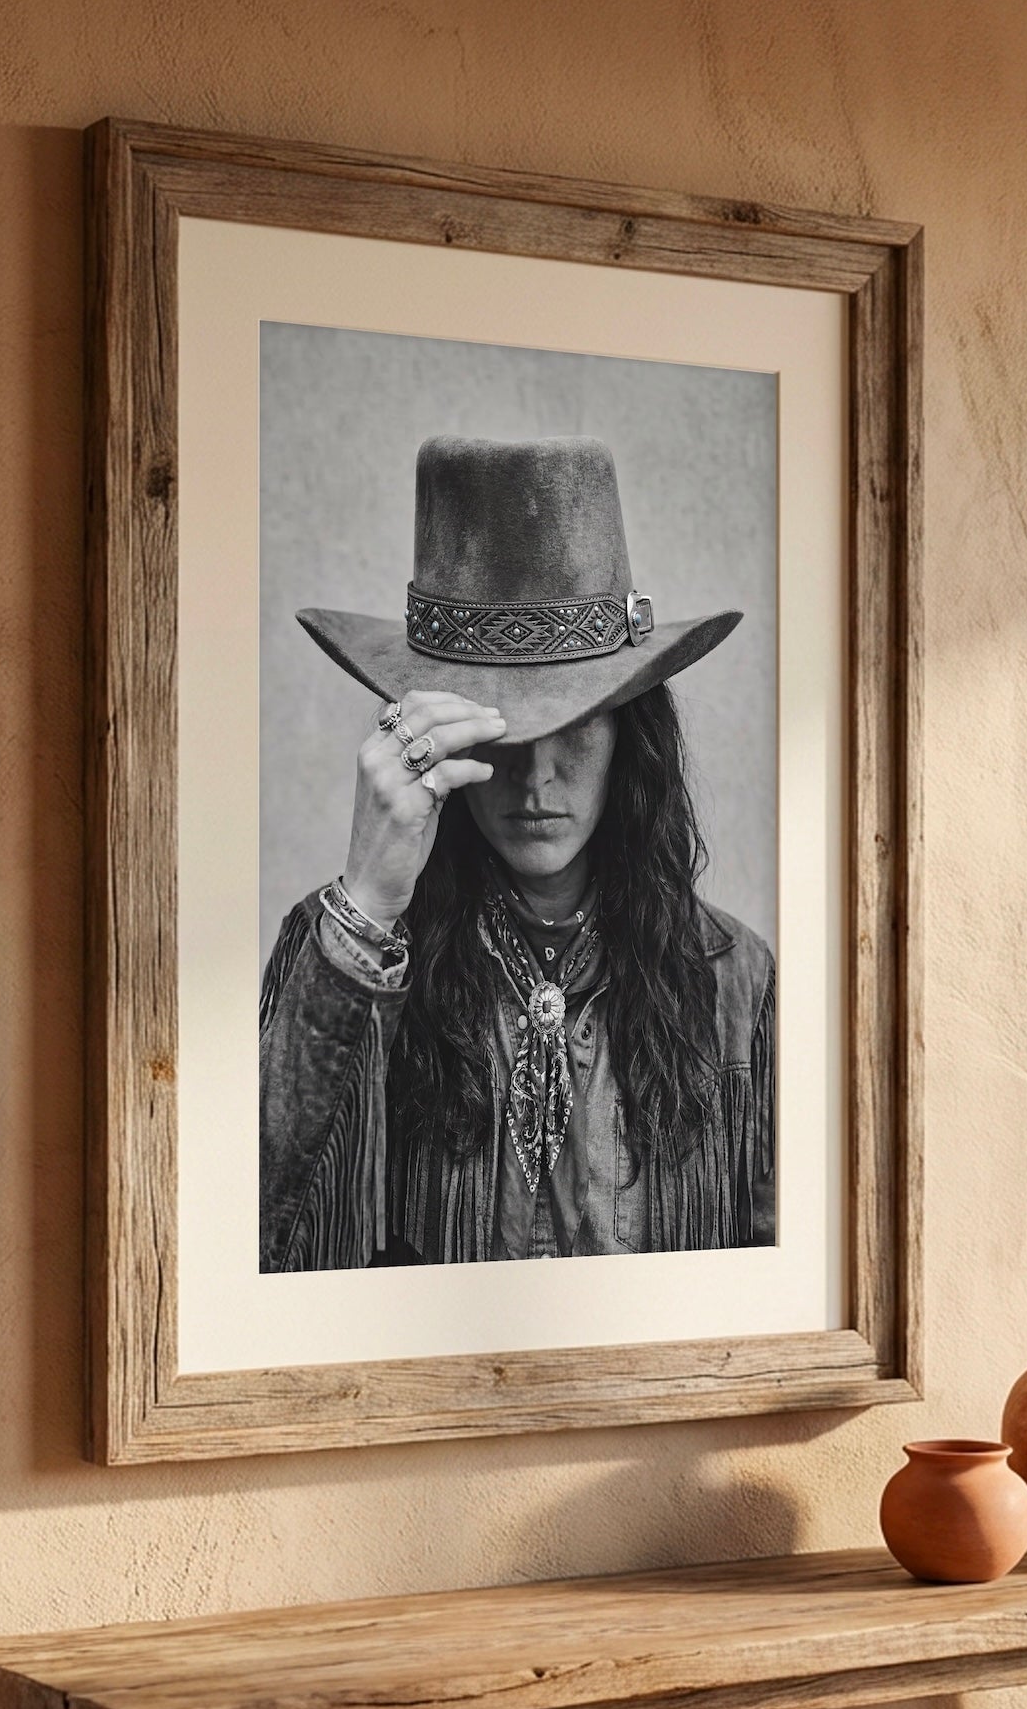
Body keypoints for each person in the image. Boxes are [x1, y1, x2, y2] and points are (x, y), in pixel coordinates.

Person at [261, 434, 775, 1271]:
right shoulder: (337, 949)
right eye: (498, 731)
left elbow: (780, 1278)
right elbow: (261, 1242)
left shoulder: (735, 979)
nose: (535, 778)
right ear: (434, 734)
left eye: (576, 726)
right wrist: (368, 905)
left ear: (631, 736)